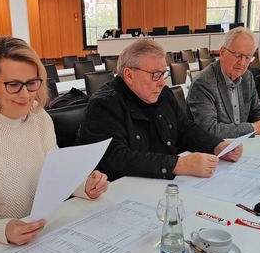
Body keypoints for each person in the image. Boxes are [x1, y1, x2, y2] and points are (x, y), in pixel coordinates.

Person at [0, 36, 109, 247]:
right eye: (14, 85)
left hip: (29, 236)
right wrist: (2, 229)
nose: (26, 94)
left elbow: (53, 175)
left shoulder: (39, 118)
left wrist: (84, 185)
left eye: (31, 83)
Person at [75, 39, 242, 182]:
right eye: (155, 75)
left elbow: (184, 128)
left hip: (162, 183)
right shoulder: (105, 104)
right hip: (122, 192)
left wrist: (216, 145)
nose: (162, 82)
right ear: (129, 75)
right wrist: (180, 164)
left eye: (163, 74)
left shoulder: (162, 94)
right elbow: (117, 159)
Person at [187, 27, 260, 138]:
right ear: (222, 53)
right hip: (212, 149)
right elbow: (210, 130)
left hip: (242, 143)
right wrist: (254, 128)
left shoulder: (247, 77)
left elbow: (257, 108)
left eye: (248, 57)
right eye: (237, 55)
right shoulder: (203, 84)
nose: (242, 63)